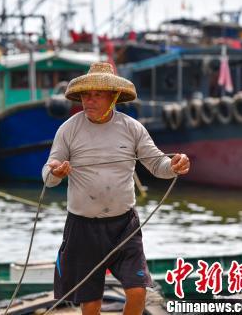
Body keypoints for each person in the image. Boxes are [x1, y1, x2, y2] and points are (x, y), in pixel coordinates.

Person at [42, 62, 190, 315]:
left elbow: (157, 164)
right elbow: (48, 174)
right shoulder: (68, 129)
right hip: (83, 226)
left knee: (138, 292)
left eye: (97, 95)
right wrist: (55, 172)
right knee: (90, 304)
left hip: (124, 226)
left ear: (113, 97)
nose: (89, 100)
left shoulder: (132, 128)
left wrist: (175, 166)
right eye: (86, 95)